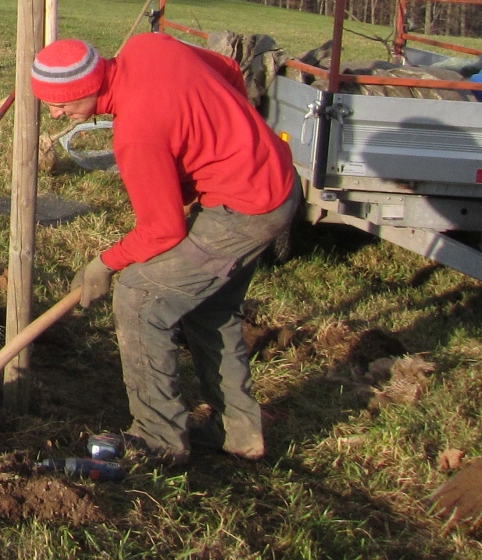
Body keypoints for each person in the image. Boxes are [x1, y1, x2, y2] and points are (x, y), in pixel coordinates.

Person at [31, 33, 301, 463]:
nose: (54, 113)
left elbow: (163, 230)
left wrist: (105, 262)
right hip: (277, 178)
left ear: (89, 88)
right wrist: (224, 142)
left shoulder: (137, 133)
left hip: (246, 211)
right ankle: (239, 434)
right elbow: (230, 71)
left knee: (141, 295)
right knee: (208, 306)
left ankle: (157, 439)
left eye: (60, 104)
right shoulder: (147, 47)